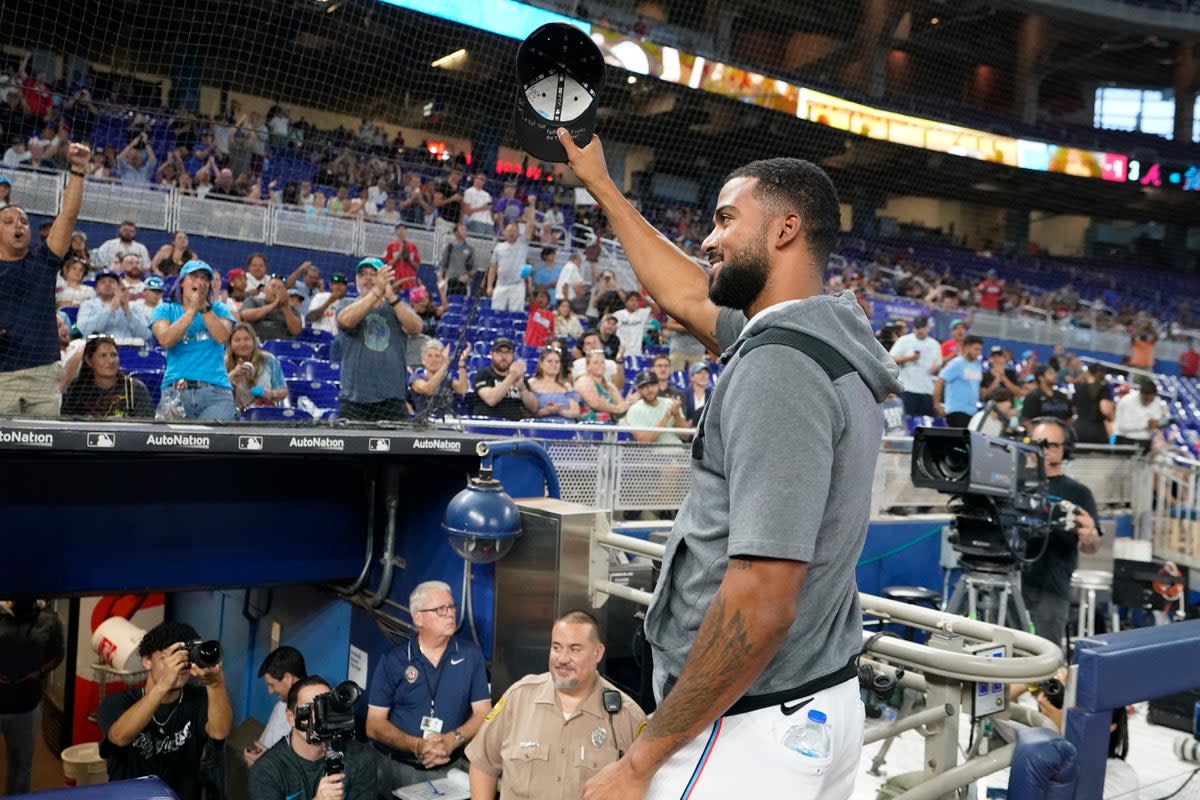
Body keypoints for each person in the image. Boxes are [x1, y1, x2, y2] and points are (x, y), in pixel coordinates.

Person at [559, 130, 901, 800]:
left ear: (785, 230)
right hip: (811, 704)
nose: (708, 241)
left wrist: (640, 762)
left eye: (724, 220)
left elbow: (761, 602)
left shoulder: (780, 368)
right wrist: (601, 183)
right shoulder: (816, 340)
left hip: (745, 729)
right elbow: (687, 295)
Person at [466, 611, 646, 800]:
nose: (562, 659)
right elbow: (482, 765)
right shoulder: (519, 698)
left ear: (597, 653)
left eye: (574, 649)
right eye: (556, 647)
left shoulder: (626, 717)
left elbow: (644, 785)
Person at [366, 581, 491, 791]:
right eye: (440, 609)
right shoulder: (394, 660)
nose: (450, 614)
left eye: (451, 607)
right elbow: (373, 725)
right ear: (418, 618)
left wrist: (453, 739)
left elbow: (484, 712)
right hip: (395, 764)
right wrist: (417, 746)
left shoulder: (471, 656)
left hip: (448, 765)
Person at [0, 141, 89, 417]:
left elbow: (69, 215)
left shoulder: (44, 260)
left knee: (43, 455)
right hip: (2, 378)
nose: (19, 225)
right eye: (9, 221)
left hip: (43, 374)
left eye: (24, 221)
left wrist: (77, 169)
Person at [98, 620, 234, 800]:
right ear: (147, 661)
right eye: (166, 659)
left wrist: (215, 684)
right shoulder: (118, 701)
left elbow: (219, 732)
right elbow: (120, 737)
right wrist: (163, 685)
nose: (177, 666)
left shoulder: (199, 699)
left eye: (183, 658)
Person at [1021, 418, 1102, 648]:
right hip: (1011, 584)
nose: (1045, 451)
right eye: (1040, 444)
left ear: (1065, 449)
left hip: (1052, 589)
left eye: (1053, 445)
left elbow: (1092, 546)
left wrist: (1090, 536)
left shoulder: (1078, 492)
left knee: (1046, 657)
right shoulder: (1013, 485)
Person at [249, 675, 377, 800]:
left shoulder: (360, 757)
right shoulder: (267, 771)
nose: (319, 716)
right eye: (309, 708)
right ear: (290, 718)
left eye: (326, 707)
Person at [335, 258, 423, 421]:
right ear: (356, 280)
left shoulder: (397, 307)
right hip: (354, 400)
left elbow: (416, 328)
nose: (367, 278)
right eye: (362, 275)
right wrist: (376, 291)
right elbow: (346, 321)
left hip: (392, 399)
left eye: (373, 274)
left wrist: (391, 297)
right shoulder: (346, 304)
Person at [149, 259, 237, 421]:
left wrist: (203, 307)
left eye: (205, 278)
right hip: (176, 391)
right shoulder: (165, 309)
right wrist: (190, 311)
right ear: (182, 282)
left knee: (213, 444)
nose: (200, 282)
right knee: (172, 445)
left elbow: (222, 336)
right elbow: (166, 339)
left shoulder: (219, 309)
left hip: (216, 393)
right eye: (194, 277)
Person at [0, 599, 65, 795]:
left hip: (26, 704)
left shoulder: (49, 620)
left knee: (21, 767)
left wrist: (40, 671)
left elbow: (57, 655)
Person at [244, 646, 308, 768]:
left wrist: (269, 761)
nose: (270, 691)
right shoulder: (281, 706)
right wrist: (256, 758)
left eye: (272, 685)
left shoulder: (315, 715)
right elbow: (265, 746)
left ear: (288, 679)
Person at [60, 335, 154, 418]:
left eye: (114, 355)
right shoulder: (77, 388)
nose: (110, 361)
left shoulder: (135, 389)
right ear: (89, 360)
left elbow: (146, 425)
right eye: (103, 355)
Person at [226, 323, 289, 412]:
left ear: (254, 341)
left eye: (247, 339)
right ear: (230, 344)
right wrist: (234, 373)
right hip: (231, 412)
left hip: (263, 412)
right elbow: (215, 390)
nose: (242, 344)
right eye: (237, 340)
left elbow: (283, 391)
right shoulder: (223, 362)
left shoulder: (269, 360)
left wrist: (270, 394)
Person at [485, 204, 537, 312]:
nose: (511, 232)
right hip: (501, 285)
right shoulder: (499, 247)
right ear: (504, 232)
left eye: (514, 230)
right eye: (509, 230)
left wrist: (531, 204)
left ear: (518, 233)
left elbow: (531, 224)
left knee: (516, 314)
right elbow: (493, 268)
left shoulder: (522, 243)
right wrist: (489, 286)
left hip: (517, 286)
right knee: (496, 313)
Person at [77, 269, 152, 343]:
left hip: (130, 349)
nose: (107, 284)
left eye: (111, 281)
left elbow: (146, 335)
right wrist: (110, 309)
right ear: (96, 289)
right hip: (100, 350)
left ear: (118, 287)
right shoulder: (88, 305)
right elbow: (84, 330)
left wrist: (128, 313)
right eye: (103, 282)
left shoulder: (133, 306)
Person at [888, 315, 941, 417]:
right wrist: (909, 358)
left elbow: (938, 364)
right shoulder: (904, 340)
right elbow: (890, 360)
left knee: (925, 423)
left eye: (922, 327)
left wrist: (936, 368)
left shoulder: (934, 344)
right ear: (913, 328)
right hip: (908, 389)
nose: (920, 330)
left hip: (927, 390)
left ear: (928, 328)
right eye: (917, 327)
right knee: (907, 421)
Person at [622, 370, 687, 443]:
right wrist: (666, 417)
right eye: (644, 387)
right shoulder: (634, 410)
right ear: (638, 390)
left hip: (678, 450)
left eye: (652, 385)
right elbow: (644, 441)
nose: (650, 390)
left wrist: (677, 415)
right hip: (652, 453)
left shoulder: (670, 403)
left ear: (658, 386)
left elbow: (685, 436)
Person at [934, 335, 985, 428]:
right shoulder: (956, 363)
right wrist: (937, 404)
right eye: (976, 349)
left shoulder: (978, 365)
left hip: (972, 411)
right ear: (966, 347)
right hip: (956, 411)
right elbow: (939, 380)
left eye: (980, 350)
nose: (978, 352)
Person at [410, 340, 469, 418]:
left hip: (448, 421)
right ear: (423, 359)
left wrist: (461, 363)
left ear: (442, 359)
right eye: (429, 356)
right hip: (425, 422)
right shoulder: (416, 378)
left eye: (437, 356)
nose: (433, 359)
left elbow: (462, 390)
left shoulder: (447, 378)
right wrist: (444, 366)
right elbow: (428, 389)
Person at [527, 345, 582, 421]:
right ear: (541, 364)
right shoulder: (531, 384)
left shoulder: (567, 386)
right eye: (549, 361)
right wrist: (546, 411)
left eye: (557, 362)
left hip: (566, 427)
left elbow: (576, 412)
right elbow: (526, 413)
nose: (554, 364)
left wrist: (560, 411)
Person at [239, 276, 303, 341]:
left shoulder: (291, 309)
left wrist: (285, 307)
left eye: (279, 288)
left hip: (281, 344)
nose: (275, 290)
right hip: (255, 343)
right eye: (273, 286)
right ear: (265, 289)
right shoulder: (252, 300)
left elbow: (296, 331)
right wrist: (274, 304)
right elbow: (245, 317)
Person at [1113, 379, 1168, 450]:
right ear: (1141, 394)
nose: (1148, 402)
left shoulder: (1156, 401)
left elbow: (1154, 422)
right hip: (1126, 440)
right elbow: (1123, 426)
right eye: (1145, 399)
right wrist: (1146, 425)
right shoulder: (1126, 401)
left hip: (1145, 441)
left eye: (1151, 400)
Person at [1073, 363, 1115, 445]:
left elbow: (1074, 409)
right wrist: (1112, 417)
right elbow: (1106, 410)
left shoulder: (1079, 388)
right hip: (1098, 431)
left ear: (1088, 372)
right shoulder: (1104, 388)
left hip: (1079, 430)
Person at [439, 223, 477, 297]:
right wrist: (441, 280)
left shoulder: (470, 249)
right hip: (449, 281)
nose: (465, 232)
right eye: (462, 229)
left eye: (466, 230)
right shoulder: (449, 247)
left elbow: (474, 268)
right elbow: (442, 265)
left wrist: (467, 276)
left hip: (463, 283)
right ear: (456, 232)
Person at [682, 361, 711, 425]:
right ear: (691, 377)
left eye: (706, 373)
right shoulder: (684, 395)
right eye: (699, 373)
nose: (703, 376)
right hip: (689, 432)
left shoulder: (712, 395)